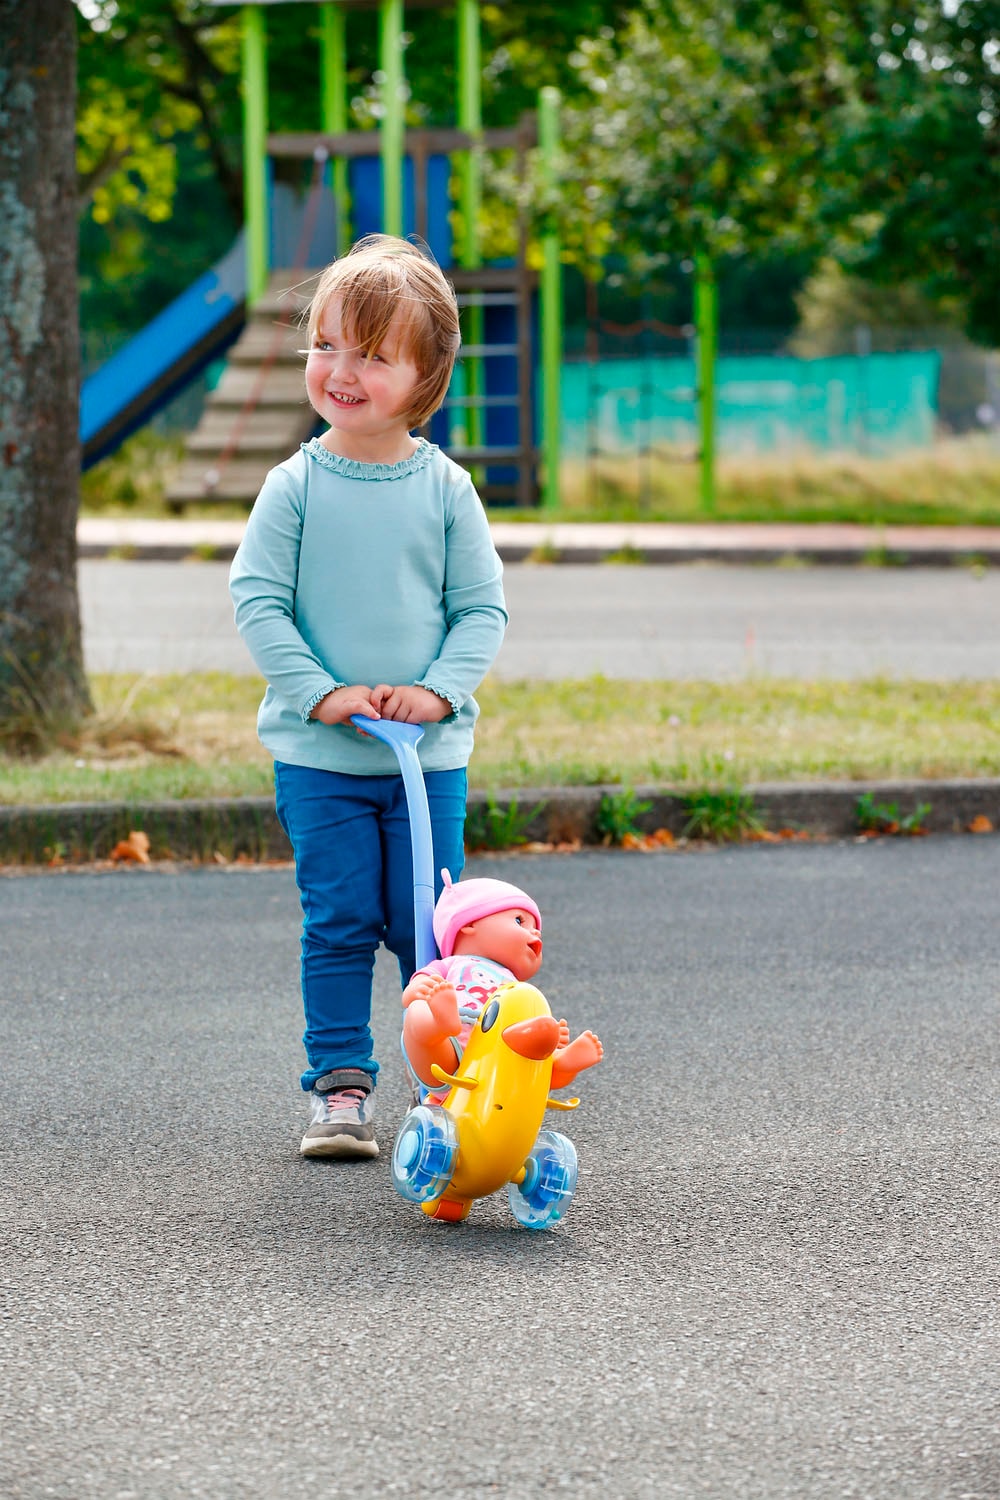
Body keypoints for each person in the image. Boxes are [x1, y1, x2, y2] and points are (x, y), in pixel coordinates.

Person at [229, 235, 507, 1161]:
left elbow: (479, 611)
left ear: (424, 377)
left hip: (429, 761)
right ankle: (340, 1088)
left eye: (372, 355)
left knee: (425, 928)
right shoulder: (295, 486)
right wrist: (322, 694)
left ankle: (452, 1083)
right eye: (325, 346)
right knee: (341, 918)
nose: (339, 372)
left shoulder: (446, 489)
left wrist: (437, 692)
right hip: (323, 760)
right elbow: (257, 599)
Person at [401, 872, 604, 1098]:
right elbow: (417, 985)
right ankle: (439, 1022)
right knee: (416, 1013)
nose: (535, 932)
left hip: (502, 1059)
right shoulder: (451, 965)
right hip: (450, 1055)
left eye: (536, 930)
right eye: (520, 921)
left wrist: (546, 1039)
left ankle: (560, 1061)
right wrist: (417, 990)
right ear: (468, 923)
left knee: (535, 1048)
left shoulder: (516, 986)